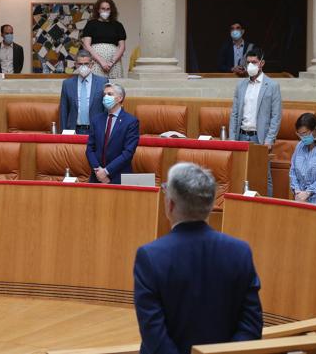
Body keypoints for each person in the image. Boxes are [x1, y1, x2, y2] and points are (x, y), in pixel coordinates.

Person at [134, 162, 263, 354]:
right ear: (211, 205)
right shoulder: (240, 252)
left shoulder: (151, 256)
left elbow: (154, 334)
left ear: (170, 205)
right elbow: (251, 326)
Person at [229, 47, 281, 196]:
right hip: (241, 136)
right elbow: (235, 113)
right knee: (239, 175)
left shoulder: (272, 86)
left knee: (264, 176)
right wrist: (232, 139)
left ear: (262, 63)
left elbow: (276, 116)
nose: (250, 65)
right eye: (248, 62)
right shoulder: (241, 85)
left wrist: (269, 140)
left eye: (254, 62)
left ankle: (267, 209)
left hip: (260, 138)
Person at [85, 83, 139, 184]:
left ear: (119, 98)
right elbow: (89, 149)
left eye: (109, 94)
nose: (105, 97)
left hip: (118, 177)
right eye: (104, 94)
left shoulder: (131, 122)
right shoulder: (96, 120)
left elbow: (128, 153)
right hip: (96, 177)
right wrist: (98, 171)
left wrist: (106, 172)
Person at [59, 50, 108, 134]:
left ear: (91, 64)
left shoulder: (102, 82)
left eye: (86, 64)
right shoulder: (67, 84)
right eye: (80, 64)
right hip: (73, 130)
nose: (83, 66)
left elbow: (106, 108)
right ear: (75, 65)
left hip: (96, 130)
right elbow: (64, 110)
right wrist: (64, 132)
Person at [81, 0, 127, 79]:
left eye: (108, 9)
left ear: (111, 10)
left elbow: (122, 47)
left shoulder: (118, 25)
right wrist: (101, 61)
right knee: (96, 87)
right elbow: (86, 45)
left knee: (114, 88)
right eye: (103, 9)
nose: (105, 11)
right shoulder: (91, 24)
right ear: (98, 10)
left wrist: (111, 62)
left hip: (114, 63)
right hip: (95, 62)